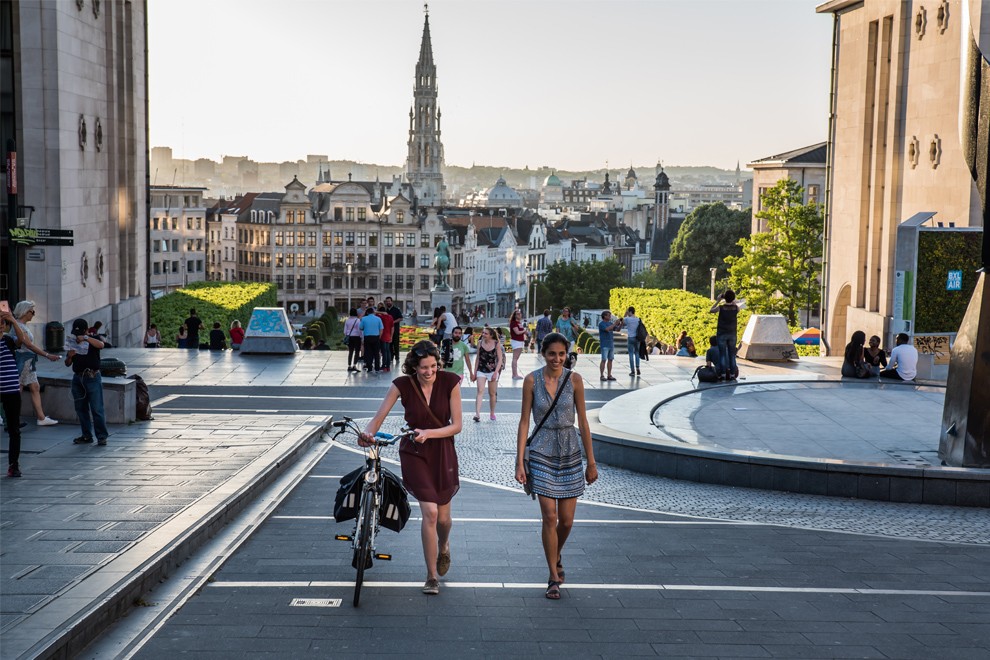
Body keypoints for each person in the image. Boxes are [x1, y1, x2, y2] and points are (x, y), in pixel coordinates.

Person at [359, 341, 463, 595]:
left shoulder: (450, 382)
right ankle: (431, 576)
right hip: (414, 451)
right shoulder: (401, 385)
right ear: (413, 367)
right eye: (424, 367)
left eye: (434, 366)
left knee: (444, 518)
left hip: (442, 450)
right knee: (430, 512)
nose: (430, 372)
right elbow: (378, 417)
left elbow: (457, 425)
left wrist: (430, 432)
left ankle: (444, 545)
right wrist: (367, 432)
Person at [515, 332, 598, 600]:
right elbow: (524, 422)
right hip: (541, 449)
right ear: (543, 353)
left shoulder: (574, 380)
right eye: (552, 353)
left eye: (562, 354)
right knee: (549, 516)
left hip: (570, 450)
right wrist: (519, 461)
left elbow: (583, 422)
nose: (557, 359)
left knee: (567, 520)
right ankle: (553, 575)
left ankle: (556, 551)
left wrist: (591, 461)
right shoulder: (531, 380)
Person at [3, 308, 55, 476]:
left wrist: (12, 319)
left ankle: (14, 465)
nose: (0, 326)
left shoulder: (9, 341)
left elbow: (21, 339)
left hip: (10, 388)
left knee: (14, 430)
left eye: (2, 324)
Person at [9, 301, 60, 426]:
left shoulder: (21, 326)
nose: (33, 314)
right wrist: (47, 355)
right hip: (23, 360)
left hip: (27, 361)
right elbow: (29, 345)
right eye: (32, 311)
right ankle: (10, 418)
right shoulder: (19, 326)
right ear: (26, 312)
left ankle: (41, 417)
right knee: (18, 389)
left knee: (34, 387)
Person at [64, 318, 109, 446]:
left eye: (80, 333)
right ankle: (86, 435)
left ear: (85, 330)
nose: (77, 336)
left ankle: (101, 436)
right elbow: (67, 364)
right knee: (80, 408)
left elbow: (101, 345)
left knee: (96, 408)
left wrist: (86, 338)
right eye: (76, 333)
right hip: (78, 377)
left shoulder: (93, 339)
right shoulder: (72, 342)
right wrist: (70, 356)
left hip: (92, 376)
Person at [471, 326, 503, 422]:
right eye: (483, 333)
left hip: (493, 370)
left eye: (485, 333)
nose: (483, 335)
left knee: (492, 393)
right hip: (481, 370)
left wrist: (496, 372)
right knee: (480, 391)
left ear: (491, 335)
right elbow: (477, 359)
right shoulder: (480, 343)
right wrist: (474, 372)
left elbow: (500, 359)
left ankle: (492, 413)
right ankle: (477, 414)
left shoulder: (496, 343)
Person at [709, 290, 740, 380]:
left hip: (722, 333)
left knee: (722, 354)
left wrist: (718, 300)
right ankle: (732, 375)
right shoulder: (736, 308)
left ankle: (722, 374)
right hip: (732, 334)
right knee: (732, 354)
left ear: (724, 298)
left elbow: (711, 310)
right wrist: (731, 299)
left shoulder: (721, 308)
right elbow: (734, 303)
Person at [597, 310, 621, 381]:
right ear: (604, 316)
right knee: (604, 360)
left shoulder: (610, 323)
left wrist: (620, 324)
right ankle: (601, 375)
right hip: (604, 344)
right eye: (608, 315)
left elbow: (617, 330)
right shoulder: (601, 324)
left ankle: (609, 375)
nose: (610, 317)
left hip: (611, 344)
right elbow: (607, 329)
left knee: (610, 360)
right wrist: (615, 324)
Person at [359, 305, 384, 372]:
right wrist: (379, 337)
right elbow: (381, 329)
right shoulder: (378, 319)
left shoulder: (364, 319)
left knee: (368, 353)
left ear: (367, 313)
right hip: (376, 337)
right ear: (373, 312)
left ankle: (369, 367)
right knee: (376, 353)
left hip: (367, 337)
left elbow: (360, 328)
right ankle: (377, 368)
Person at [621, 307, 642, 376]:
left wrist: (625, 314)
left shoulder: (627, 319)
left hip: (630, 337)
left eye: (628, 312)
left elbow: (622, 323)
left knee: (630, 354)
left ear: (630, 312)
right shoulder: (638, 319)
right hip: (637, 338)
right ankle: (638, 367)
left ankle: (632, 371)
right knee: (637, 353)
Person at [509, 309, 528, 379]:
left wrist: (524, 331)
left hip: (520, 341)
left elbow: (522, 331)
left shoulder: (519, 323)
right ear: (514, 315)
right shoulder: (514, 323)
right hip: (516, 341)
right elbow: (517, 332)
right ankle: (514, 374)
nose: (519, 315)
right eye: (517, 314)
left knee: (516, 358)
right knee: (515, 358)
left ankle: (514, 374)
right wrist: (524, 331)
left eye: (520, 313)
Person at [385, 296, 403, 366]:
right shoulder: (386, 311)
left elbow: (401, 318)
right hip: (388, 331)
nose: (388, 302)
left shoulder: (396, 310)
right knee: (389, 345)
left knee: (396, 344)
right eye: (387, 301)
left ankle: (397, 357)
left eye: (389, 301)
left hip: (395, 330)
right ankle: (391, 358)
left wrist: (393, 322)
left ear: (391, 302)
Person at [343, 308, 363, 373]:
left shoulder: (347, 320)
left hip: (350, 337)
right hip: (357, 337)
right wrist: (361, 337)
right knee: (357, 351)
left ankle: (349, 366)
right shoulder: (357, 320)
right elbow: (359, 330)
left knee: (350, 351)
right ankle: (354, 365)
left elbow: (345, 331)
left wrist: (347, 335)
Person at [376, 304, 394, 371]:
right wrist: (391, 336)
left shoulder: (380, 317)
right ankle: (388, 366)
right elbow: (392, 327)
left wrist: (377, 312)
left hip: (382, 336)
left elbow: (374, 313)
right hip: (388, 336)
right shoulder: (390, 317)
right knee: (388, 351)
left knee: (384, 352)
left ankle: (384, 365)